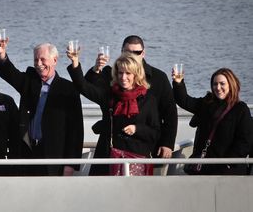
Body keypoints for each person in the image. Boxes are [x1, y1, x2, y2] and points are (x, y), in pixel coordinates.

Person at [84, 35, 177, 174]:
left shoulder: (159, 77)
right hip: (110, 144)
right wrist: (97, 68)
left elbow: (170, 113)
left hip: (141, 146)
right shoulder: (113, 73)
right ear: (122, 52)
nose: (132, 55)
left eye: (136, 52)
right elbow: (90, 87)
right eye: (128, 52)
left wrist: (167, 143)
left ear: (143, 53)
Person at [0, 40, 84, 176]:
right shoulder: (30, 82)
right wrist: (2, 54)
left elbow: (76, 131)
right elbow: (10, 74)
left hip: (54, 156)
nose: (39, 64)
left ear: (54, 60)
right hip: (28, 153)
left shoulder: (68, 89)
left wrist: (70, 164)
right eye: (36, 60)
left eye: (43, 59)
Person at [67, 51, 160, 175]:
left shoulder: (149, 99)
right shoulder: (110, 95)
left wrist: (137, 129)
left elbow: (155, 133)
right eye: (120, 73)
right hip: (107, 159)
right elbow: (83, 87)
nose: (123, 77)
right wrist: (75, 62)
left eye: (128, 73)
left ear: (136, 75)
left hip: (136, 160)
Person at [172, 68, 252, 175]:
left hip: (228, 170)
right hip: (204, 167)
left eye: (222, 84)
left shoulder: (240, 109)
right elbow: (184, 101)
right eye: (215, 84)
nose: (218, 88)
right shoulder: (206, 103)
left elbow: (245, 141)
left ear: (231, 85)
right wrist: (178, 83)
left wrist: (228, 163)